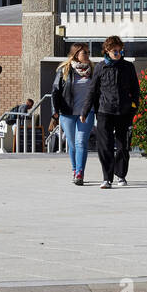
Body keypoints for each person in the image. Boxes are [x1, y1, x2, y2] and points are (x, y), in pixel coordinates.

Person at [85, 36, 139, 189]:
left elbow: (135, 89)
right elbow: (92, 91)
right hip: (104, 111)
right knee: (105, 145)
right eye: (114, 50)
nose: (117, 53)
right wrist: (85, 110)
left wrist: (134, 107)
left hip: (124, 111)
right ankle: (106, 178)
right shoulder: (100, 67)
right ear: (107, 51)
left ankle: (121, 175)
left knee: (123, 145)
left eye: (119, 50)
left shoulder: (128, 67)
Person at [51, 44, 95, 186]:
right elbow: (55, 92)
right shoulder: (64, 70)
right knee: (72, 144)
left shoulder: (92, 70)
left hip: (86, 112)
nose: (87, 55)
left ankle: (80, 173)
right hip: (67, 112)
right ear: (76, 54)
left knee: (81, 142)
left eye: (88, 53)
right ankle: (74, 169)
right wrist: (54, 112)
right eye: (84, 53)